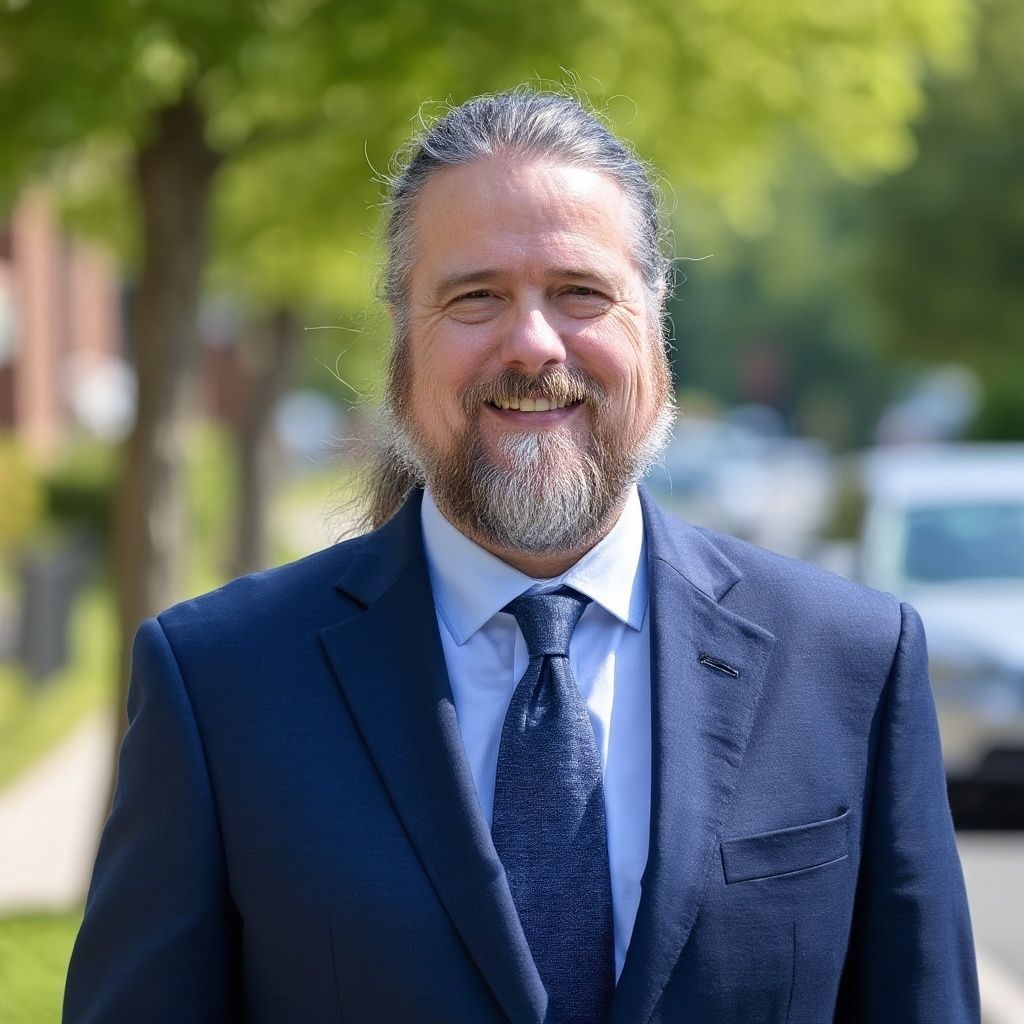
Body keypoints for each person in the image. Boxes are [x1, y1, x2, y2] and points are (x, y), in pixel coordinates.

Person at [64, 90, 979, 1024]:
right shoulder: (221, 684)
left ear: (654, 319)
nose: (533, 342)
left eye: (580, 292)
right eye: (476, 297)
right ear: (402, 336)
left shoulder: (851, 663)